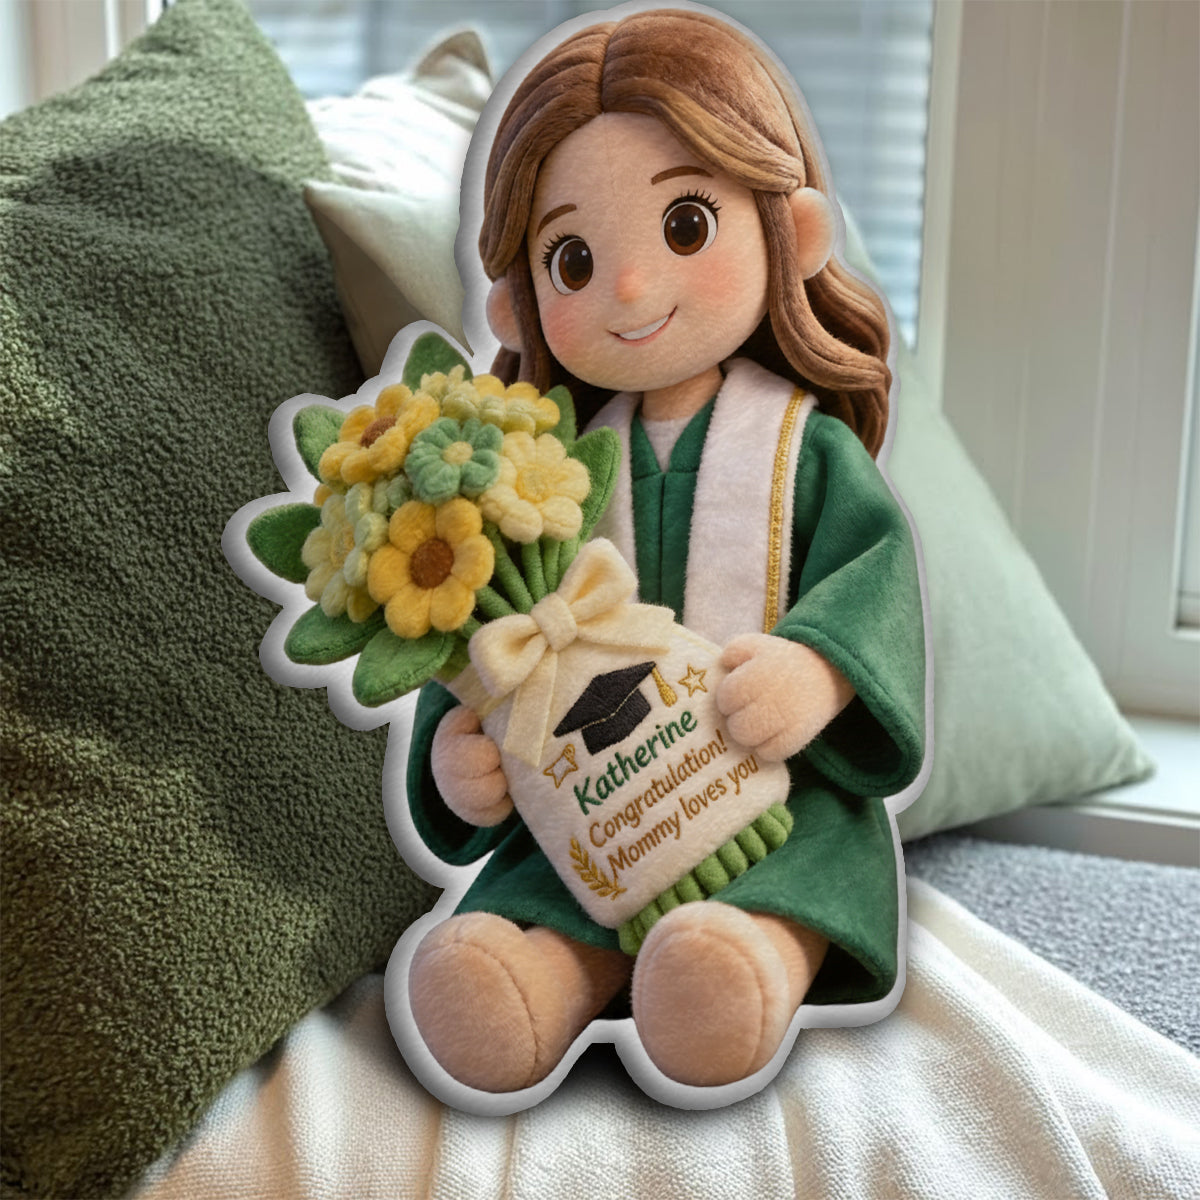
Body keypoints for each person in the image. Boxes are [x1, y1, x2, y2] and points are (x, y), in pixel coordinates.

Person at [404, 8, 925, 1094]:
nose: (631, 290)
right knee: (555, 881)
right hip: (603, 798)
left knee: (782, 874)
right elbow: (482, 640)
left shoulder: (803, 450)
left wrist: (818, 669)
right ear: (517, 302)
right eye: (574, 259)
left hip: (775, 789)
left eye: (686, 223)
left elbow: (868, 578)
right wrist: (461, 755)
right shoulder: (531, 481)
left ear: (793, 230)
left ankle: (740, 962)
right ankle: (536, 980)